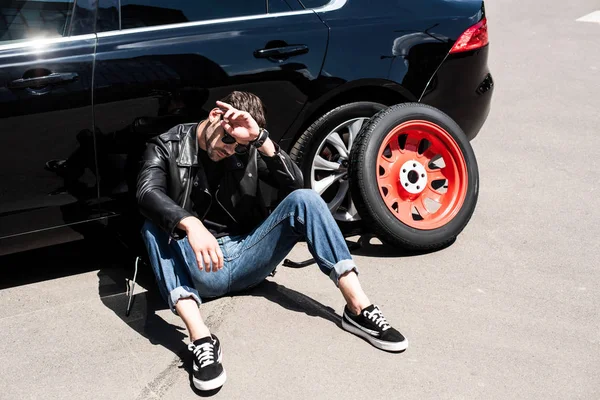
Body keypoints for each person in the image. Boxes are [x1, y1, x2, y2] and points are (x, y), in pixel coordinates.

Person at [136, 91, 408, 392]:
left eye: (240, 146)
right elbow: (147, 193)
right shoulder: (166, 145)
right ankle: (201, 339)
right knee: (154, 225)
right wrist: (190, 224)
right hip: (198, 268)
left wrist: (260, 140)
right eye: (228, 141)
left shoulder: (247, 148)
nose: (231, 150)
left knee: (305, 200)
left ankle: (359, 309)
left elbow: (297, 187)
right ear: (215, 116)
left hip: (249, 255)